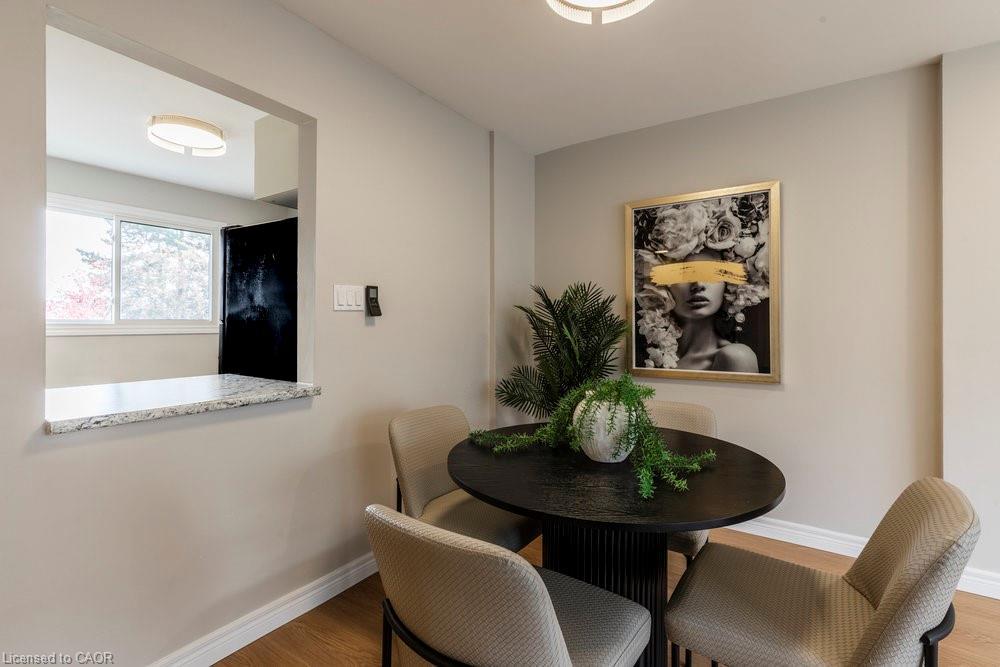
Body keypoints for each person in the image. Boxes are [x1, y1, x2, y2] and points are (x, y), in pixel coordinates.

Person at [665, 250, 759, 373]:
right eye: (684, 274)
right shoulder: (649, 355)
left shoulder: (736, 357)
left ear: (728, 285)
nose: (698, 285)